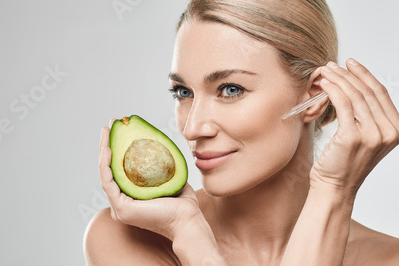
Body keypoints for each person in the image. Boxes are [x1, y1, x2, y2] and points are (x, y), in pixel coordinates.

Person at [84, 0, 399, 265]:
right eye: (182, 92)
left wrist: (334, 190)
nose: (193, 128)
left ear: (312, 95)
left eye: (230, 89)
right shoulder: (128, 241)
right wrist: (189, 232)